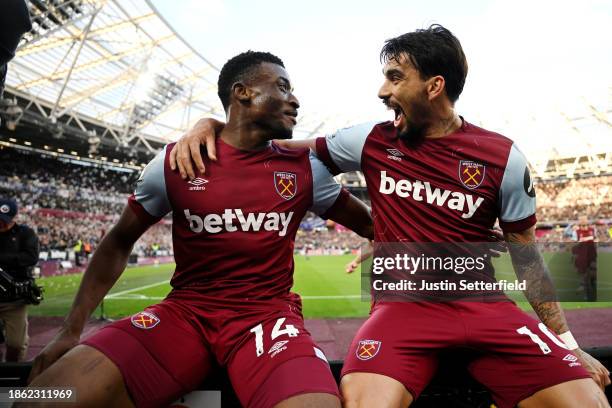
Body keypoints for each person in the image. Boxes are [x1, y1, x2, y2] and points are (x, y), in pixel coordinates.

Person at [171, 25, 610, 408]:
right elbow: (270, 148)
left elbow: (528, 259)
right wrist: (210, 124)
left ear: (434, 86)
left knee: (588, 401)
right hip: (402, 310)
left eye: (395, 78)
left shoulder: (504, 157)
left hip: (487, 308)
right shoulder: (370, 140)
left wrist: (568, 344)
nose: (383, 91)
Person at [24, 51, 373, 408]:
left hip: (268, 318)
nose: (295, 99)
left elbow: (375, 226)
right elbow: (118, 241)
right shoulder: (175, 162)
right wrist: (70, 330)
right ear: (242, 93)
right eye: (283, 87)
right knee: (40, 396)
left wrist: (386, 262)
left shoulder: (305, 169)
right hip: (184, 315)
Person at [0, 197, 39, 362]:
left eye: (5, 220)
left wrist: (2, 259)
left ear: (14, 218)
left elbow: (31, 257)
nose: (1, 223)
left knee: (16, 344)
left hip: (14, 298)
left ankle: (13, 375)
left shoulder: (26, 233)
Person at [572, 215, 597, 301]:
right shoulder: (576, 231)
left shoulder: (592, 229)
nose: (582, 221)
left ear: (587, 220)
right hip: (582, 257)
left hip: (592, 256)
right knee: (585, 276)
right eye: (581, 220)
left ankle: (592, 293)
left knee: (593, 275)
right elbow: (575, 243)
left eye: (584, 219)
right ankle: (587, 295)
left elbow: (595, 240)